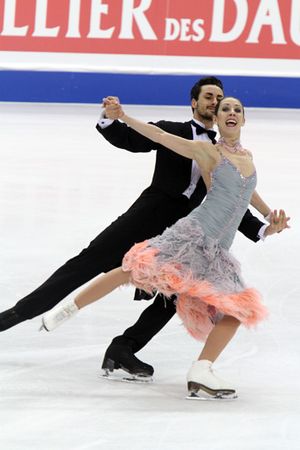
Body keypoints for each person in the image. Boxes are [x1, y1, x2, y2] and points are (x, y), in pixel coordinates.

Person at [0, 77, 281, 380]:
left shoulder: (225, 153)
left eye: (220, 98)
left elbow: (234, 200)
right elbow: (137, 138)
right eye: (209, 97)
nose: (215, 102)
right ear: (194, 102)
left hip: (185, 235)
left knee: (174, 298)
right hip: (145, 220)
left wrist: (263, 227)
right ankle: (15, 315)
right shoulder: (177, 132)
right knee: (87, 263)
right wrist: (113, 118)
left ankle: (124, 348)